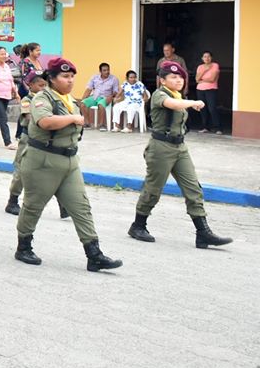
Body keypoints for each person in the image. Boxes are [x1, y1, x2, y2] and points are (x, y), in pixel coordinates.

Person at [14, 58, 123, 272]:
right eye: (65, 76)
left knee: (81, 207)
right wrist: (73, 118)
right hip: (43, 160)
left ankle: (94, 255)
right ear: (52, 79)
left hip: (69, 161)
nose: (70, 80)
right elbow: (45, 121)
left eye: (72, 76)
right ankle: (23, 246)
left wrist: (73, 116)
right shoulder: (42, 98)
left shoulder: (70, 100)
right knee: (33, 206)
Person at [127, 62, 232, 249]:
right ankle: (138, 225)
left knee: (193, 188)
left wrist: (188, 102)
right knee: (153, 189)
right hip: (161, 147)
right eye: (173, 77)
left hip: (180, 147)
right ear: (163, 80)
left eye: (181, 77)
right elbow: (173, 105)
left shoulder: (178, 95)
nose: (179, 80)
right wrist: (193, 103)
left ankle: (203, 233)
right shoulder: (160, 94)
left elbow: (178, 104)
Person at [5, 70, 47, 215]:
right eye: (40, 85)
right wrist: (46, 121)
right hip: (28, 139)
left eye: (45, 85)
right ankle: (12, 201)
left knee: (50, 171)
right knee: (22, 170)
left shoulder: (47, 99)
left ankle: (63, 204)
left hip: (43, 139)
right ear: (30, 85)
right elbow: (29, 117)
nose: (43, 88)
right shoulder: (26, 100)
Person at [79, 63, 119, 130]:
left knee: (100, 105)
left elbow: (115, 91)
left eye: (108, 70)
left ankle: (101, 125)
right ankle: (87, 123)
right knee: (83, 104)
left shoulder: (114, 79)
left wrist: (111, 96)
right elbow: (89, 89)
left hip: (106, 97)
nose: (107, 72)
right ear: (100, 71)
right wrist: (83, 99)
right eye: (104, 70)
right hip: (95, 97)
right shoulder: (94, 78)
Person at [195, 51, 222, 134]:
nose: (207, 58)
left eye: (208, 56)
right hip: (200, 89)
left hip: (211, 89)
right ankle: (205, 127)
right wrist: (205, 70)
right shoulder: (200, 67)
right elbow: (197, 79)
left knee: (212, 108)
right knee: (202, 108)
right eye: (205, 56)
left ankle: (217, 128)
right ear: (202, 58)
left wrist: (202, 80)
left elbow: (212, 79)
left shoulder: (215, 65)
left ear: (211, 58)